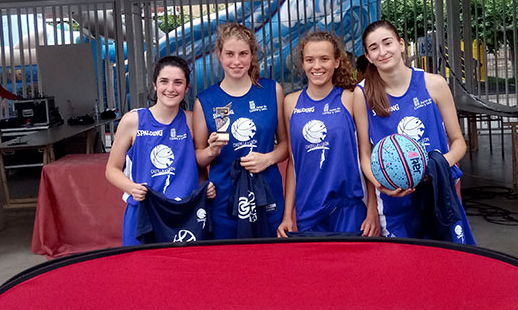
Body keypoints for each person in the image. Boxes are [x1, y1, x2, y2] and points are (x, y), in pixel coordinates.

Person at [352, 20, 467, 238]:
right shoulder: (362, 93)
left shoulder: (434, 84)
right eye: (374, 48)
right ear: (368, 56)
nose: (382, 52)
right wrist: (381, 183)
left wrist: (434, 167)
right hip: (394, 199)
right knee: (404, 259)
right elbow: (364, 153)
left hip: (438, 192)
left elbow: (459, 142)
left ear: (401, 44)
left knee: (446, 257)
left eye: (387, 43)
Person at [278, 30, 380, 237]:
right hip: (308, 209)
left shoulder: (352, 98)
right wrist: (288, 215)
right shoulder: (290, 103)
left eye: (324, 59)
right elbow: (293, 163)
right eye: (310, 60)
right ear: (302, 64)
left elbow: (366, 155)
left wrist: (372, 210)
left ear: (336, 62)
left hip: (350, 208)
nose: (317, 66)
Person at [105, 56, 215, 245]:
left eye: (178, 82)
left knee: (184, 264)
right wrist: (131, 188)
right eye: (164, 81)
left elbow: (197, 164)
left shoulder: (192, 120)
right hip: (144, 212)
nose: (170, 88)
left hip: (183, 215)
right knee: (140, 264)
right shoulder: (133, 120)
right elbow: (111, 169)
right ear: (155, 85)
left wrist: (205, 187)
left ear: (187, 88)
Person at [193, 23, 289, 239]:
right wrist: (211, 151)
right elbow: (198, 157)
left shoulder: (272, 90)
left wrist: (268, 158)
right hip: (224, 199)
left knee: (271, 256)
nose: (236, 61)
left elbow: (285, 145)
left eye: (243, 54)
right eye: (229, 54)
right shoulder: (205, 101)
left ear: (252, 55)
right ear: (219, 55)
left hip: (268, 195)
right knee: (230, 258)